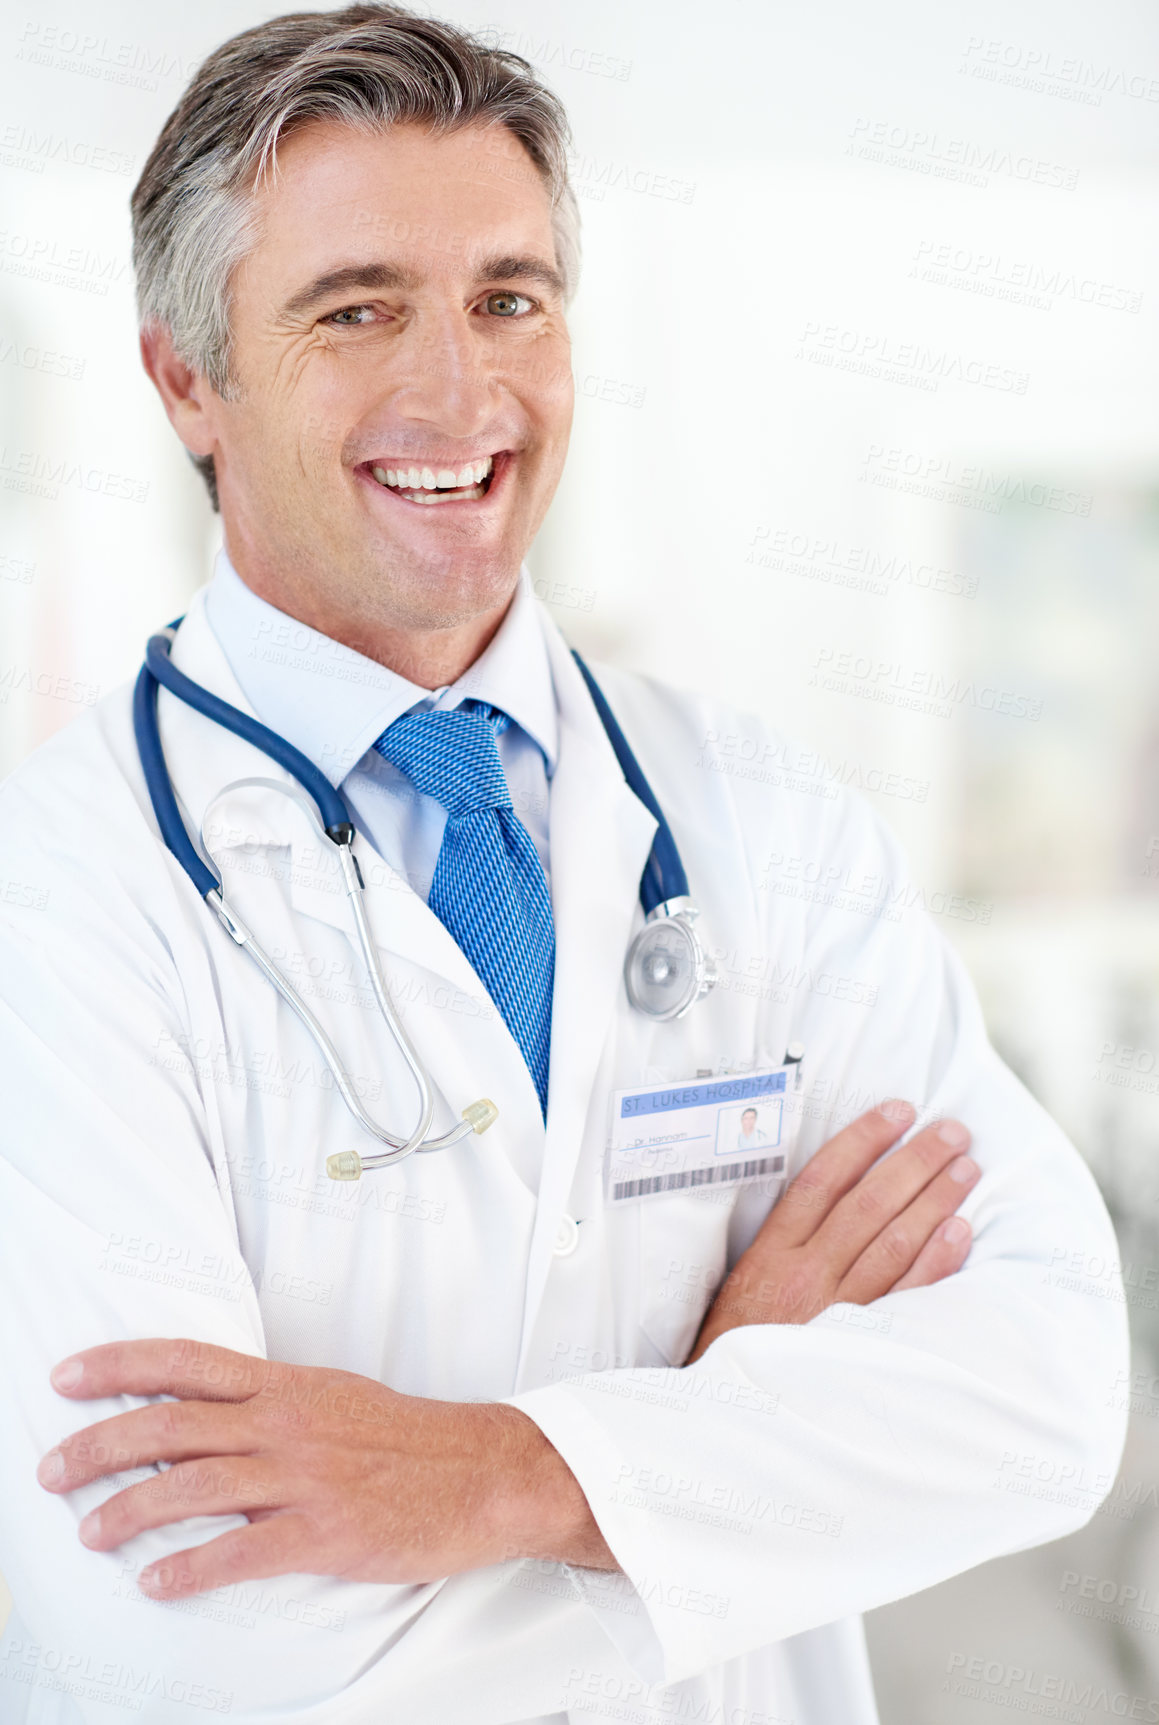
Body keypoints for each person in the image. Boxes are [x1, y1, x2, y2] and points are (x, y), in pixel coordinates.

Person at [0, 7, 1127, 1723]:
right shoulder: (62, 895)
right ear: (185, 378)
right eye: (356, 308)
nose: (460, 390)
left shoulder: (766, 819)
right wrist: (736, 1449)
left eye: (509, 299)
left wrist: (503, 1474)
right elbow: (178, 1644)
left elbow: (1050, 1391)